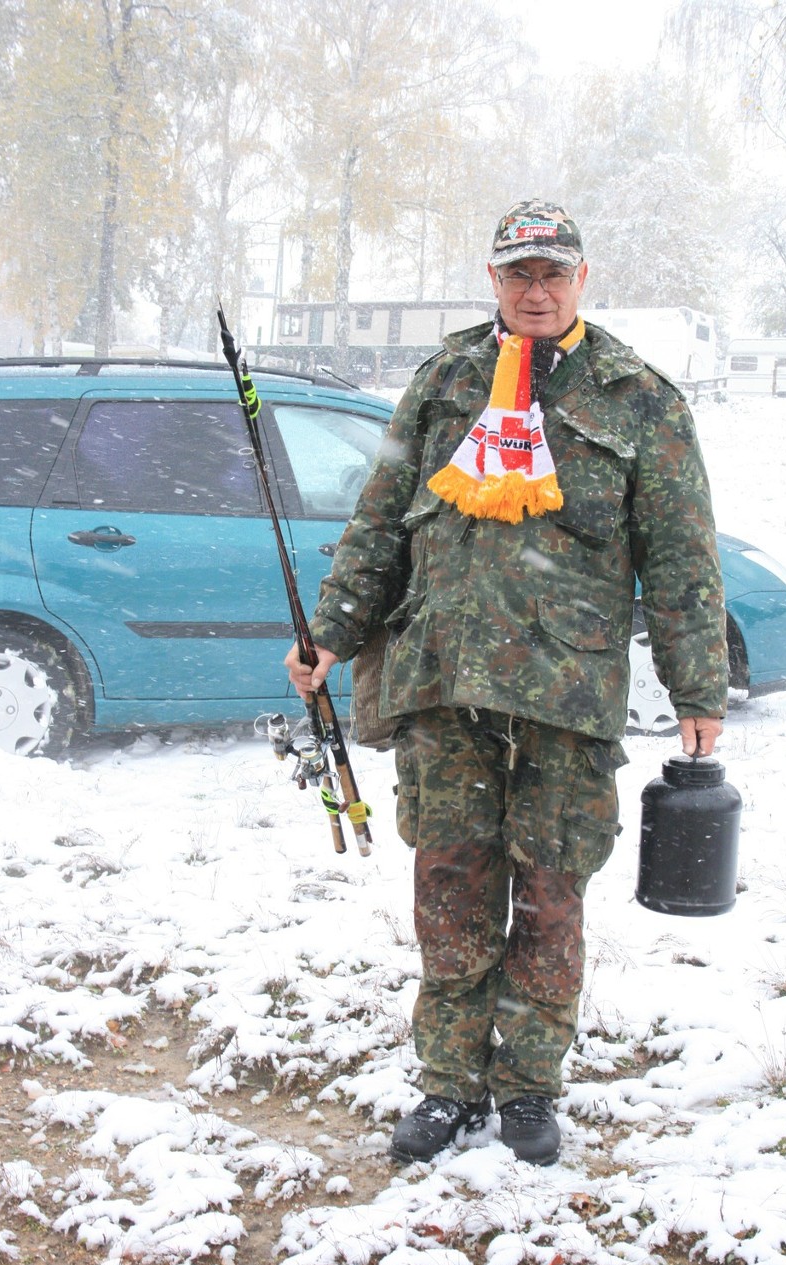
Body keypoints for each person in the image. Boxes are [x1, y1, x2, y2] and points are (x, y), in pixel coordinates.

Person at [285, 198, 728, 1166]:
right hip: (444, 686)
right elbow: (378, 524)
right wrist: (330, 634)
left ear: (581, 280)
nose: (536, 290)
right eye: (518, 273)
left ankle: (529, 1087)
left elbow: (684, 559)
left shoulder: (639, 400)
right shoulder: (444, 382)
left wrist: (698, 692)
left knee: (552, 893)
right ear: (493, 281)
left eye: (552, 273)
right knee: (449, 884)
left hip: (566, 702)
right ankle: (448, 1085)